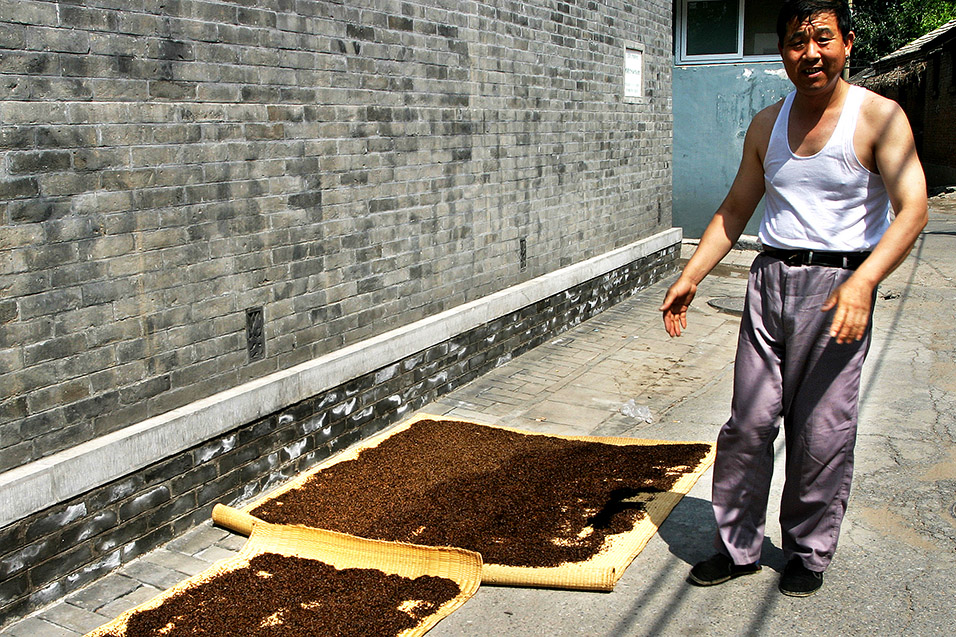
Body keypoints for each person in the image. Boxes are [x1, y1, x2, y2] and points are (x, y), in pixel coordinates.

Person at [660, 0, 927, 597]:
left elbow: (914, 211)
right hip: (769, 281)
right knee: (749, 425)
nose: (810, 54)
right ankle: (737, 547)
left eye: (823, 39)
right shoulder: (766, 125)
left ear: (848, 43)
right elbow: (735, 210)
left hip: (839, 290)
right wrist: (693, 273)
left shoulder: (881, 119)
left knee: (822, 433)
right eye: (796, 43)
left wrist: (863, 281)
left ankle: (808, 551)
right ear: (781, 51)